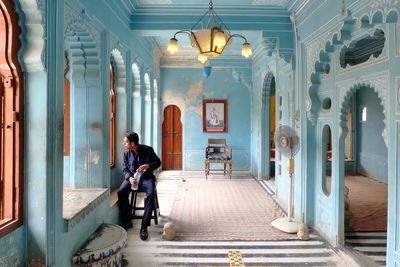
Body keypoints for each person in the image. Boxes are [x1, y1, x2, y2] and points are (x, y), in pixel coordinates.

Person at [119, 131, 161, 240]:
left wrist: (148, 166)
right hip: (132, 179)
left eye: (125, 142)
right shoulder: (126, 153)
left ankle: (144, 226)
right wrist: (129, 178)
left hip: (146, 178)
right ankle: (127, 221)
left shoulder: (148, 150)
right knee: (121, 192)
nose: (124, 144)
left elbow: (158, 162)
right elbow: (124, 168)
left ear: (132, 143)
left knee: (150, 194)